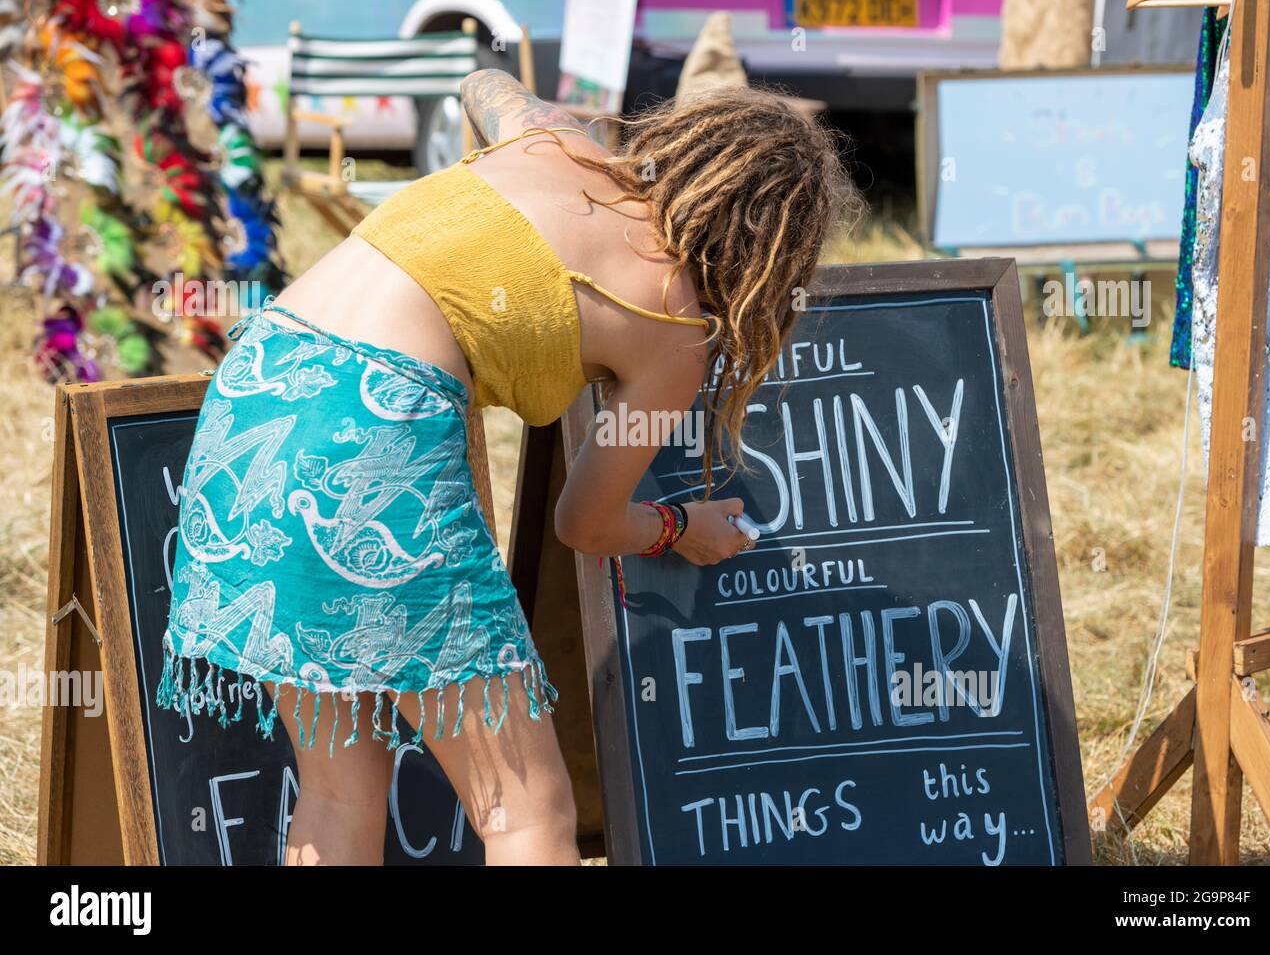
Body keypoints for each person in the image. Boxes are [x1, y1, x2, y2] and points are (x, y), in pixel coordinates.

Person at [157, 68, 858, 865]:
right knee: (526, 813)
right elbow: (586, 523)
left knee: (337, 789)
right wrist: (679, 526)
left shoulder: (555, 141)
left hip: (254, 392)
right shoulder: (674, 325)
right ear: (770, 252)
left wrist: (548, 126)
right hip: (371, 440)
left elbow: (482, 80)